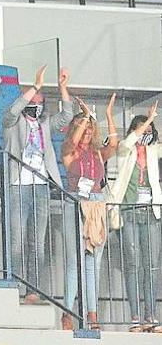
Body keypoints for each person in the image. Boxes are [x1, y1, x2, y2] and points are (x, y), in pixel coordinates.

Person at [1, 65, 73, 302]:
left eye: (40, 101)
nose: (37, 105)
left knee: (37, 243)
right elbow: (13, 111)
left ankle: (33, 289)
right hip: (17, 185)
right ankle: (12, 283)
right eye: (34, 100)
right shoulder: (12, 123)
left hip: (41, 185)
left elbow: (66, 117)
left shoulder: (44, 124)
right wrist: (34, 87)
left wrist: (63, 89)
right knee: (17, 240)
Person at [60, 95, 118, 330]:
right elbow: (72, 143)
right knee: (75, 262)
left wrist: (108, 116)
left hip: (97, 204)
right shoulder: (69, 150)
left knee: (94, 262)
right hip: (76, 203)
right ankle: (67, 312)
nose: (87, 131)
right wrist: (85, 116)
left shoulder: (97, 153)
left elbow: (113, 144)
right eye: (84, 127)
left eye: (89, 128)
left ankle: (92, 314)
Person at [107, 102, 162, 333]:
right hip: (128, 211)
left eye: (149, 131)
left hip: (150, 212)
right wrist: (147, 121)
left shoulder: (153, 150)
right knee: (133, 265)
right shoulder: (125, 149)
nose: (146, 135)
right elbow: (128, 141)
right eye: (142, 130)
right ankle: (135, 317)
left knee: (151, 266)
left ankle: (151, 315)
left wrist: (152, 129)